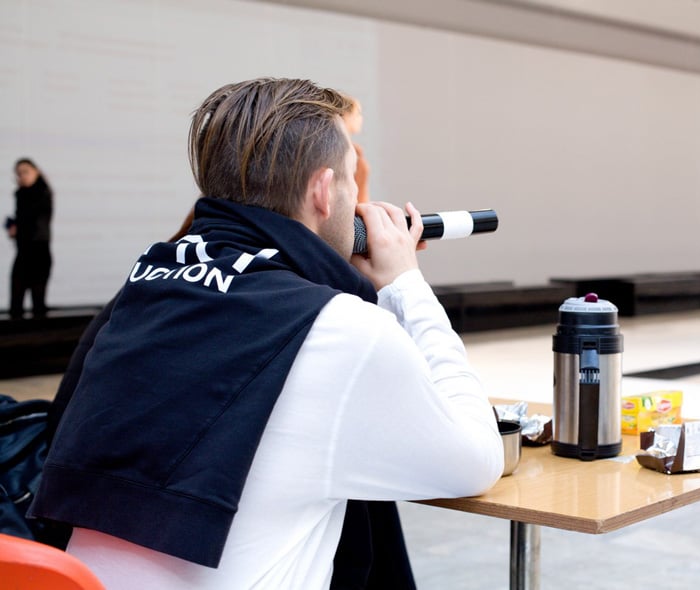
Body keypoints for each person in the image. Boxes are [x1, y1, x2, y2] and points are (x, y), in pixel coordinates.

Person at [29, 78, 503, 589]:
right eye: (350, 180)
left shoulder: (148, 285)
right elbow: (474, 461)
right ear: (323, 190)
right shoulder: (339, 327)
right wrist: (405, 284)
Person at [7, 158, 53, 319]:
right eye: (19, 173)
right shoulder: (21, 194)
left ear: (36, 171)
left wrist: (17, 228)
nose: (22, 176)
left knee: (38, 305)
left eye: (25, 172)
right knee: (16, 304)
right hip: (24, 253)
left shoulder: (42, 193)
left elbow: (35, 224)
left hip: (38, 253)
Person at [342, 95, 371, 203]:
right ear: (345, 116)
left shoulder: (356, 152)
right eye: (357, 114)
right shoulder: (344, 154)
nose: (361, 119)